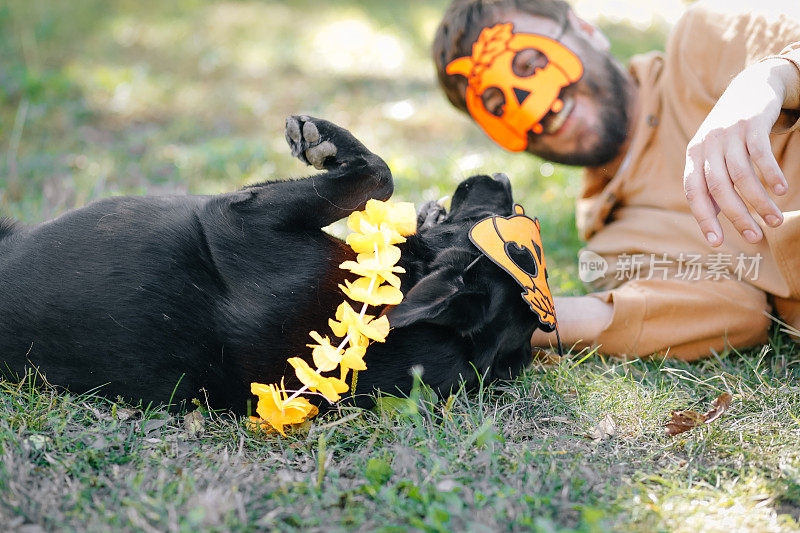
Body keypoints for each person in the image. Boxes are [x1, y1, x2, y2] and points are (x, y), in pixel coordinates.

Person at [433, 0, 800, 359]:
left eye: (529, 63)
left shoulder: (705, 37)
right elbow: (736, 312)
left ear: (587, 30)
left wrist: (774, 77)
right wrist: (506, 315)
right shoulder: (611, 245)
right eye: (498, 107)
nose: (533, 106)